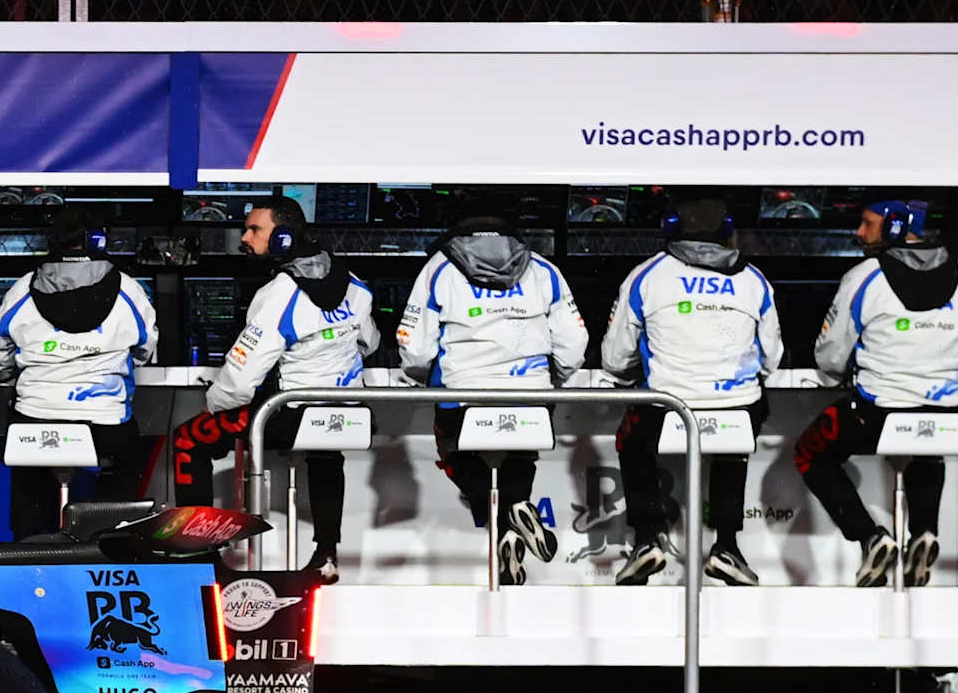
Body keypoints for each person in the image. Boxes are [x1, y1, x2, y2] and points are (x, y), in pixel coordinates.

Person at [796, 200, 958, 587]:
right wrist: (956, 377)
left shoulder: (864, 277)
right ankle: (924, 533)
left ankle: (870, 537)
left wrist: (850, 370)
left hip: (878, 416)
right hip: (949, 415)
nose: (858, 233)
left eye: (867, 224)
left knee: (810, 452)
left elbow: (830, 355)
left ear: (896, 227)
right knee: (927, 443)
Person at [169, 199, 377, 581]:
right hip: (346, 412)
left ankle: (197, 558)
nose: (244, 237)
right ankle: (326, 555)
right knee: (326, 455)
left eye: (254, 230)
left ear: (283, 238)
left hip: (289, 415)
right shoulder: (355, 285)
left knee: (188, 439)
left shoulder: (278, 294)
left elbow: (240, 380)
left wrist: (211, 406)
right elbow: (370, 342)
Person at [601, 196, 784, 587]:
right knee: (735, 435)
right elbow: (772, 359)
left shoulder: (646, 276)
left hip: (669, 407)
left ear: (669, 228)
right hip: (737, 408)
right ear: (728, 233)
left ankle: (647, 539)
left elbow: (615, 359)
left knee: (632, 438)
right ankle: (728, 546)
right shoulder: (754, 281)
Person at [397, 213, 588, 585]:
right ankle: (516, 509)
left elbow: (416, 349)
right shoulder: (543, 269)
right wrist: (553, 381)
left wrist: (421, 377)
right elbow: (574, 344)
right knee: (521, 447)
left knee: (451, 449)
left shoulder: (439, 269)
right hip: (531, 395)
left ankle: (505, 522)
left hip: (465, 395)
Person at [0, 227, 158, 537]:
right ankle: (107, 538)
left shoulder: (24, 288)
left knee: (30, 476)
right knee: (130, 456)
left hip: (35, 419)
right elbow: (145, 346)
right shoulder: (129, 289)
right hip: (105, 422)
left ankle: (26, 549)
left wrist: (11, 372)